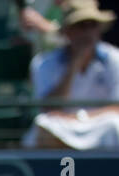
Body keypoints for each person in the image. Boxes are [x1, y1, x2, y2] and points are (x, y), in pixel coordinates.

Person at [26, 1, 119, 149]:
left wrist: (81, 118)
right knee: (44, 126)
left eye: (93, 25)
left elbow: (116, 107)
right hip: (62, 125)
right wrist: (74, 65)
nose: (87, 32)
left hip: (101, 124)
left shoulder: (114, 59)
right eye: (81, 25)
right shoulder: (43, 63)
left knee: (115, 124)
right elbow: (48, 109)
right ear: (68, 31)